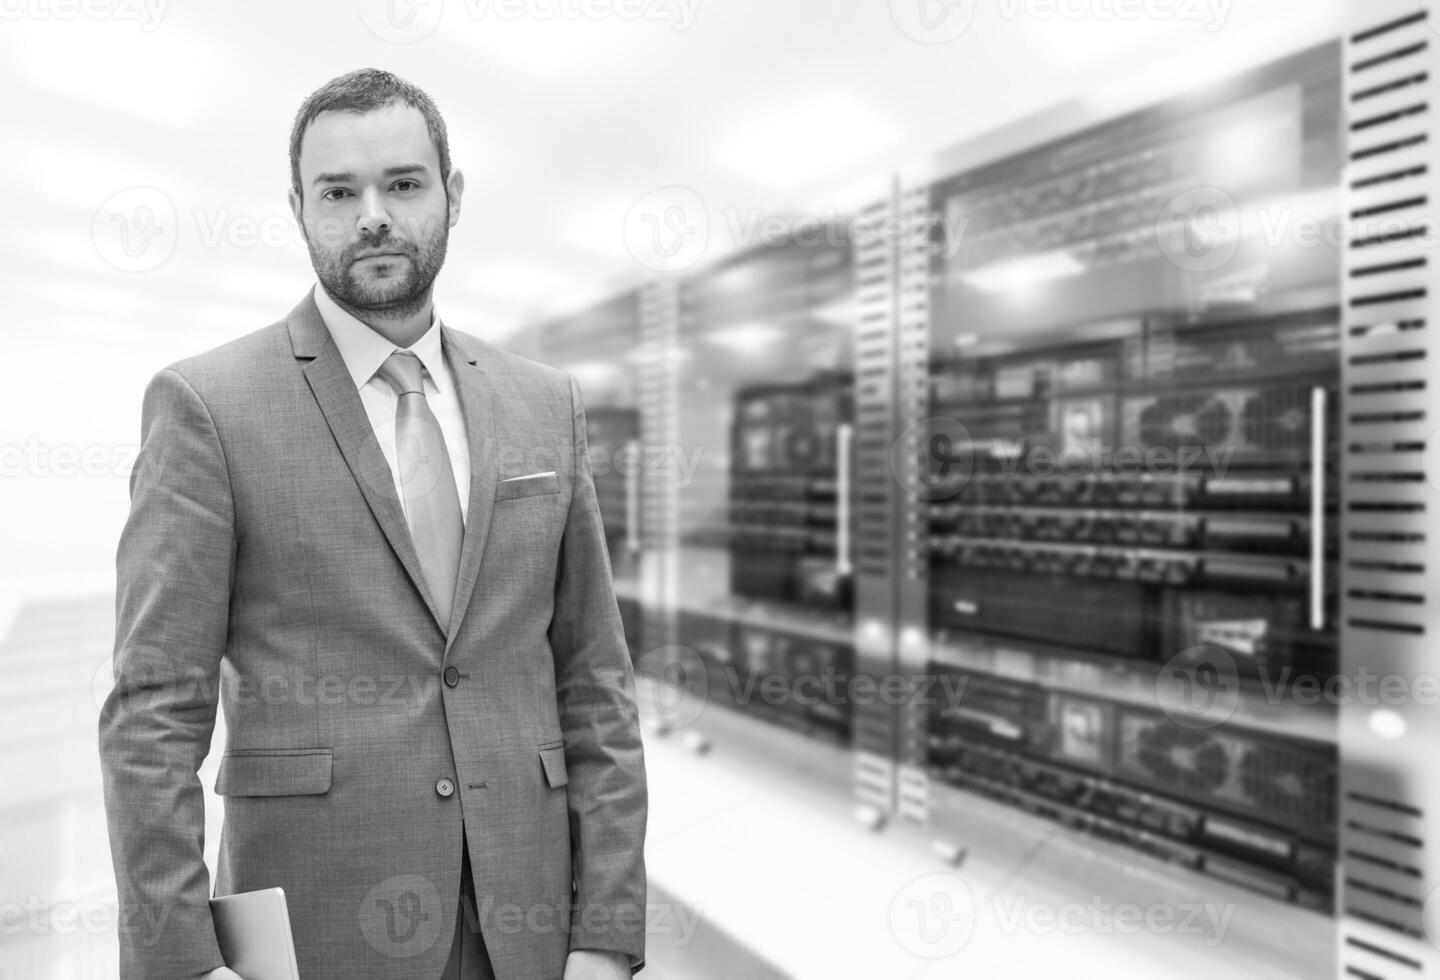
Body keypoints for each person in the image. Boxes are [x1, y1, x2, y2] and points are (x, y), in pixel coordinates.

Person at [97, 68, 647, 980]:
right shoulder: (209, 406)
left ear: (452, 195)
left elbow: (595, 681)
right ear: (298, 208)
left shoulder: (544, 404)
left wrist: (609, 933)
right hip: (316, 920)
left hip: (528, 918)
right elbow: (155, 707)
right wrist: (183, 962)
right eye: (339, 191)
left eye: (402, 183)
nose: (373, 216)